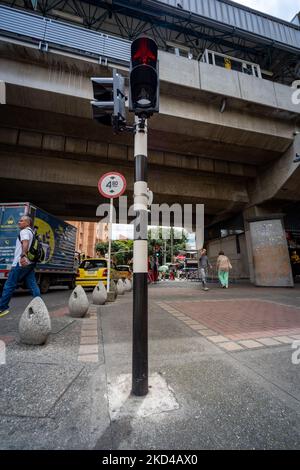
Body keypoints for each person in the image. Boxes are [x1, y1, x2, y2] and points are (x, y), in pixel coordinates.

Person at [0, 215, 41, 317]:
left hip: (20, 263)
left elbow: (25, 243)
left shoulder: (24, 232)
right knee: (32, 285)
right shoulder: (32, 232)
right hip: (29, 264)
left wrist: (22, 255)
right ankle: (39, 306)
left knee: (9, 285)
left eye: (22, 221)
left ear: (28, 223)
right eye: (19, 220)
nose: (19, 222)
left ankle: (2, 308)